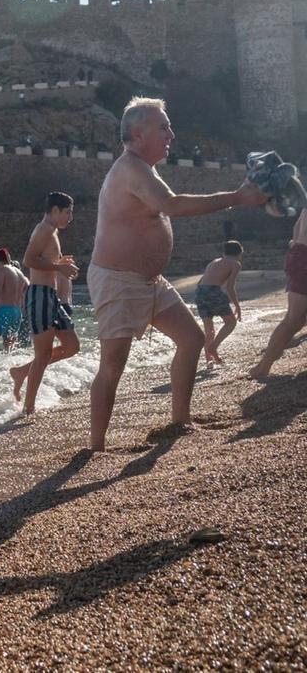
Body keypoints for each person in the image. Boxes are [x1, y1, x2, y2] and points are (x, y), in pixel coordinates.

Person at [87, 98, 264, 451]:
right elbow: (173, 205)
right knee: (113, 364)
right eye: (163, 127)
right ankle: (96, 446)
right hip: (118, 280)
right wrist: (237, 197)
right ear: (139, 133)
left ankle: (179, 421)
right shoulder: (131, 170)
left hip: (149, 282)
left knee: (192, 338)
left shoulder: (145, 169)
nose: (172, 133)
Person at [10, 192, 81, 414]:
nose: (70, 217)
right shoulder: (44, 229)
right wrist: (59, 268)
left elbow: (42, 260)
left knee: (72, 346)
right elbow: (28, 260)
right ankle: (28, 408)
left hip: (51, 297)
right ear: (55, 211)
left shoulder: (52, 231)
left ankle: (22, 372)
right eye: (67, 212)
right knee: (43, 354)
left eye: (71, 212)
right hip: (39, 295)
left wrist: (59, 262)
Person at [249, 215, 307, 378]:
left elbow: (296, 226)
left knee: (296, 319)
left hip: (300, 253)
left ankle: (263, 366)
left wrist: (296, 245)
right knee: (294, 319)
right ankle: (263, 367)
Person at [195, 241, 244, 364]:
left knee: (209, 329)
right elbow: (230, 287)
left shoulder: (213, 262)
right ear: (240, 253)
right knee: (231, 323)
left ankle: (209, 358)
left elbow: (200, 282)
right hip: (213, 291)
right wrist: (237, 306)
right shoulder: (235, 264)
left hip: (200, 292)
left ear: (224, 252)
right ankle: (213, 348)